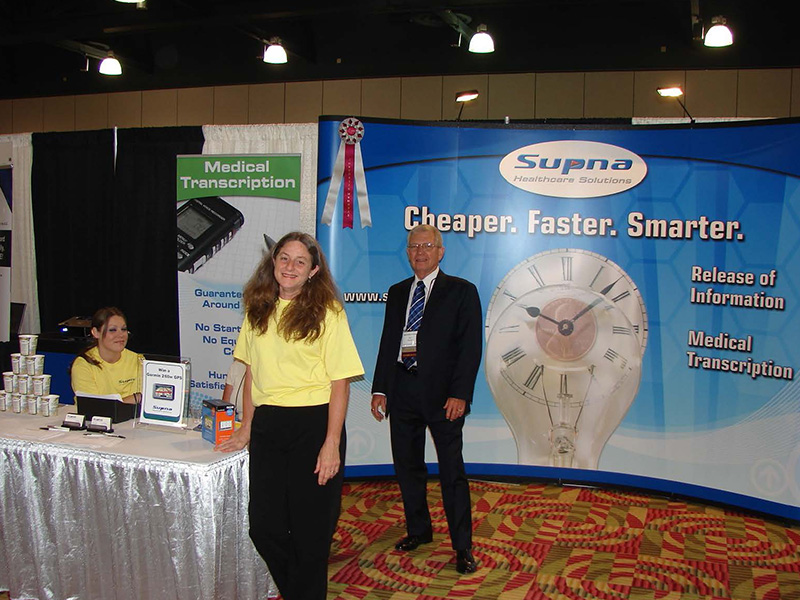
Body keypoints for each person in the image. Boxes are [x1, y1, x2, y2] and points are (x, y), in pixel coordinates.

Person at [223, 231, 364, 600]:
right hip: (269, 426)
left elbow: (340, 383)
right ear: (273, 262)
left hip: (315, 426)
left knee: (310, 534)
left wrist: (331, 443)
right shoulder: (257, 308)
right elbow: (252, 372)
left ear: (313, 270)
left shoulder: (328, 314)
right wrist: (246, 426)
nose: (290, 267)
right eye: (284, 258)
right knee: (264, 528)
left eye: (300, 261)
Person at [371, 224, 483, 574]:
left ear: (440, 251)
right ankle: (419, 530)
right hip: (403, 391)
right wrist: (380, 388)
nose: (420, 252)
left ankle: (462, 546)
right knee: (408, 469)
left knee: (452, 473)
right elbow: (389, 342)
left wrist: (460, 394)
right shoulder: (397, 291)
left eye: (427, 245)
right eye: (413, 246)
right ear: (407, 253)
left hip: (443, 397)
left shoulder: (462, 291)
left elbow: (470, 348)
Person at [70, 306, 143, 404]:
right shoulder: (83, 365)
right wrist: (135, 398)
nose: (120, 335)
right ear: (95, 333)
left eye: (123, 329)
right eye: (112, 330)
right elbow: (95, 407)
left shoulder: (138, 360)